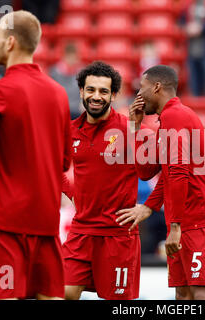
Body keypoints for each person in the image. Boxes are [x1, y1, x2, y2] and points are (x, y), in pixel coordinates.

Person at [0, 10, 72, 300]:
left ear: (11, 42)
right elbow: (64, 161)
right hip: (45, 224)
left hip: (4, 224)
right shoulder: (58, 93)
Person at [116, 65, 205, 300]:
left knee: (200, 292)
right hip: (185, 220)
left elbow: (178, 173)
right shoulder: (169, 118)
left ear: (156, 87)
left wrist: (174, 225)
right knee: (183, 294)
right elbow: (147, 171)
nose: (139, 94)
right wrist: (135, 129)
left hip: (197, 220)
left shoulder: (175, 117)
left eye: (142, 87)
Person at [61, 61, 145, 300]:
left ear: (114, 95)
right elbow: (53, 168)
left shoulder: (129, 128)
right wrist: (73, 194)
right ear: (81, 91)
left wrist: (149, 207)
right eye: (91, 90)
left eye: (103, 91)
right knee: (63, 292)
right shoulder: (70, 130)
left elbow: (164, 171)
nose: (96, 96)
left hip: (118, 234)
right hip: (82, 230)